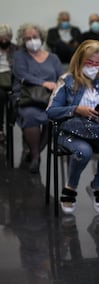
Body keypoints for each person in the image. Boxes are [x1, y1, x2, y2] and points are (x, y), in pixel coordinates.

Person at [47, 40, 99, 215]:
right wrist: (76, 109)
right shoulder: (66, 81)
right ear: (79, 60)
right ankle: (71, 186)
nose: (94, 67)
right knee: (84, 152)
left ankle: (97, 186)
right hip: (71, 131)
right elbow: (51, 112)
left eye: (98, 63)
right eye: (90, 63)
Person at [13, 23, 63, 173]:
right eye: (28, 38)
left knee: (53, 117)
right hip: (28, 97)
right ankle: (36, 157)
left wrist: (60, 84)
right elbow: (22, 75)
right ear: (23, 40)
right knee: (30, 115)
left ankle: (35, 153)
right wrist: (43, 83)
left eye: (34, 37)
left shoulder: (53, 58)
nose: (32, 40)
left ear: (41, 38)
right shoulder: (19, 56)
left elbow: (61, 76)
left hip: (49, 98)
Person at [0, 24, 17, 143]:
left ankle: (11, 122)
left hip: (12, 78)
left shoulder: (16, 49)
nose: (4, 40)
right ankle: (0, 128)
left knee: (16, 98)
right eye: (1, 38)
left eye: (6, 38)